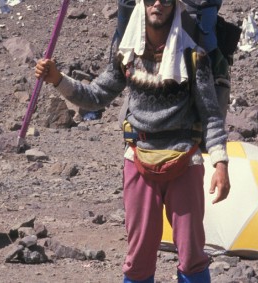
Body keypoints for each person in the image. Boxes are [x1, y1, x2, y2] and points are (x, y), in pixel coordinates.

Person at [35, 0, 230, 282]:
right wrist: (58, 79)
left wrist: (221, 164)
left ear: (175, 5)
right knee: (139, 255)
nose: (158, 4)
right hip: (138, 159)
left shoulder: (193, 56)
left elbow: (211, 115)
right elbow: (95, 96)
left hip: (185, 160)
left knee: (191, 254)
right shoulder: (127, 55)